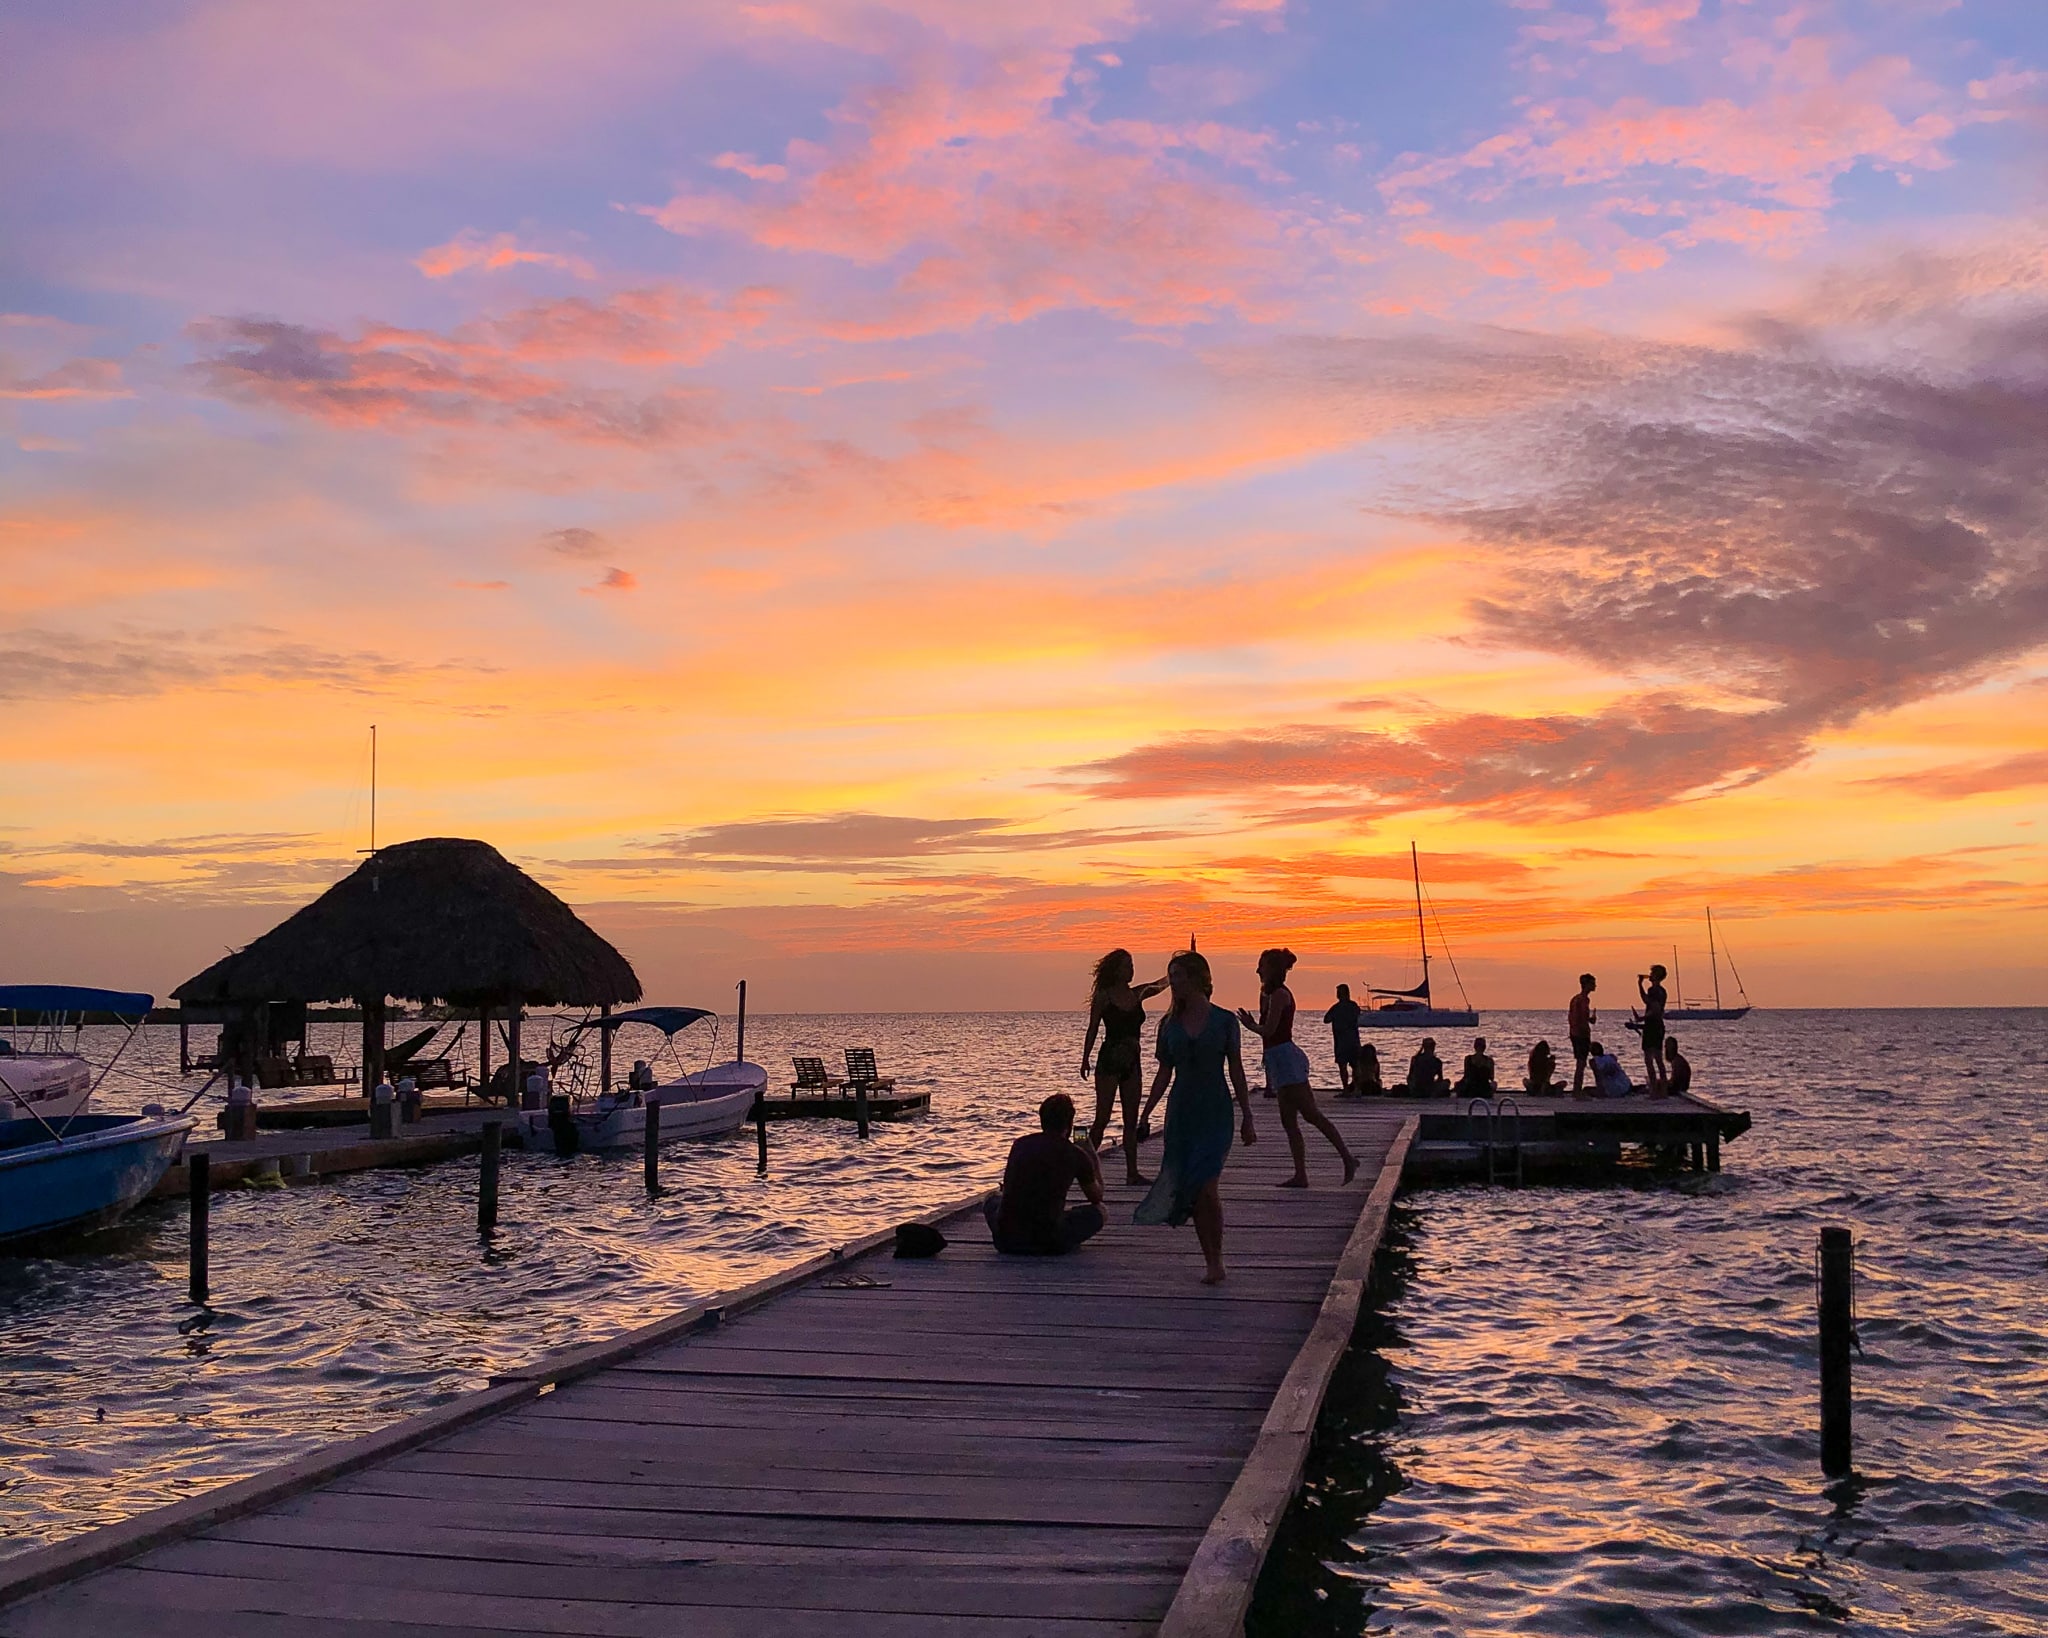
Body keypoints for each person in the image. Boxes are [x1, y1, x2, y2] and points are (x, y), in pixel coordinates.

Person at [1135, 950, 1257, 1283]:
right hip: (1181, 1114)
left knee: (1207, 1186)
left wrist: (1247, 1114)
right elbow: (1163, 1073)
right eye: (1170, 975)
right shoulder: (1169, 1024)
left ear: (1197, 978)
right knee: (1191, 1187)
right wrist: (1146, 1112)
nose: (1173, 982)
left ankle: (1216, 1261)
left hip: (1215, 1112)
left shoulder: (1224, 1021)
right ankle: (1210, 1258)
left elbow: (1236, 1069)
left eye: (1178, 975)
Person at [1239, 949, 1357, 1190]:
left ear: (1272, 969)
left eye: (1261, 966)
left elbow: (1269, 1030)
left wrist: (1250, 1025)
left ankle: (1347, 1158)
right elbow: (1267, 1032)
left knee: (1311, 1114)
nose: (1257, 970)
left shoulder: (1281, 995)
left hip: (1286, 1059)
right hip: (1277, 1061)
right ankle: (1301, 1174)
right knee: (1288, 1121)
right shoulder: (1267, 994)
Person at [1080, 948, 1170, 1185]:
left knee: (1131, 1118)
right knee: (1102, 1117)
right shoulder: (1104, 995)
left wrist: (1185, 960)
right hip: (1109, 1060)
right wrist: (1085, 1058)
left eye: (1132, 965)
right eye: (1127, 966)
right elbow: (1093, 1028)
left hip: (1133, 1061)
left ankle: (1132, 1173)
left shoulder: (1137, 994)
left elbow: (1161, 984)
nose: (1132, 970)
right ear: (1116, 969)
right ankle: (1081, 1168)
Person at [985, 1093, 1107, 1255]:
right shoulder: (1075, 1154)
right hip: (1049, 1241)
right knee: (1101, 1211)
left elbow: (1009, 1187)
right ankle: (1067, 1237)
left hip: (1006, 1240)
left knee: (991, 1198)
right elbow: (1096, 1197)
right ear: (1069, 1124)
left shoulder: (1020, 1144)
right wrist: (1091, 1155)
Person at [1324, 984, 1364, 1094]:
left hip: (1342, 1041)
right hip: (1352, 1040)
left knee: (1344, 1066)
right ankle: (1356, 1089)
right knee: (1355, 1066)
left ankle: (1347, 1089)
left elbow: (1326, 1019)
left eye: (1338, 992)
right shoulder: (1353, 1006)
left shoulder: (1336, 1008)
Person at [1637, 964, 1670, 1092]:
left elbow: (1653, 1007)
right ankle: (1663, 1089)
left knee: (1649, 1060)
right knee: (1658, 1059)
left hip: (1652, 1026)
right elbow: (1650, 1003)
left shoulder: (1654, 991)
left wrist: (1642, 1019)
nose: (1649, 975)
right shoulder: (1662, 991)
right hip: (1658, 1026)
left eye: (1652, 973)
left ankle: (1655, 1090)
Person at [1568, 973, 1598, 1093]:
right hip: (1580, 1035)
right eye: (1593, 983)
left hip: (1577, 1034)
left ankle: (1577, 1090)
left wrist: (1590, 1019)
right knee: (1581, 1064)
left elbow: (1577, 1018)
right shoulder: (1581, 1000)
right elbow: (1576, 1018)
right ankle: (1577, 1091)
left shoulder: (1579, 999)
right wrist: (1582, 1031)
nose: (1595, 985)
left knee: (1581, 1063)